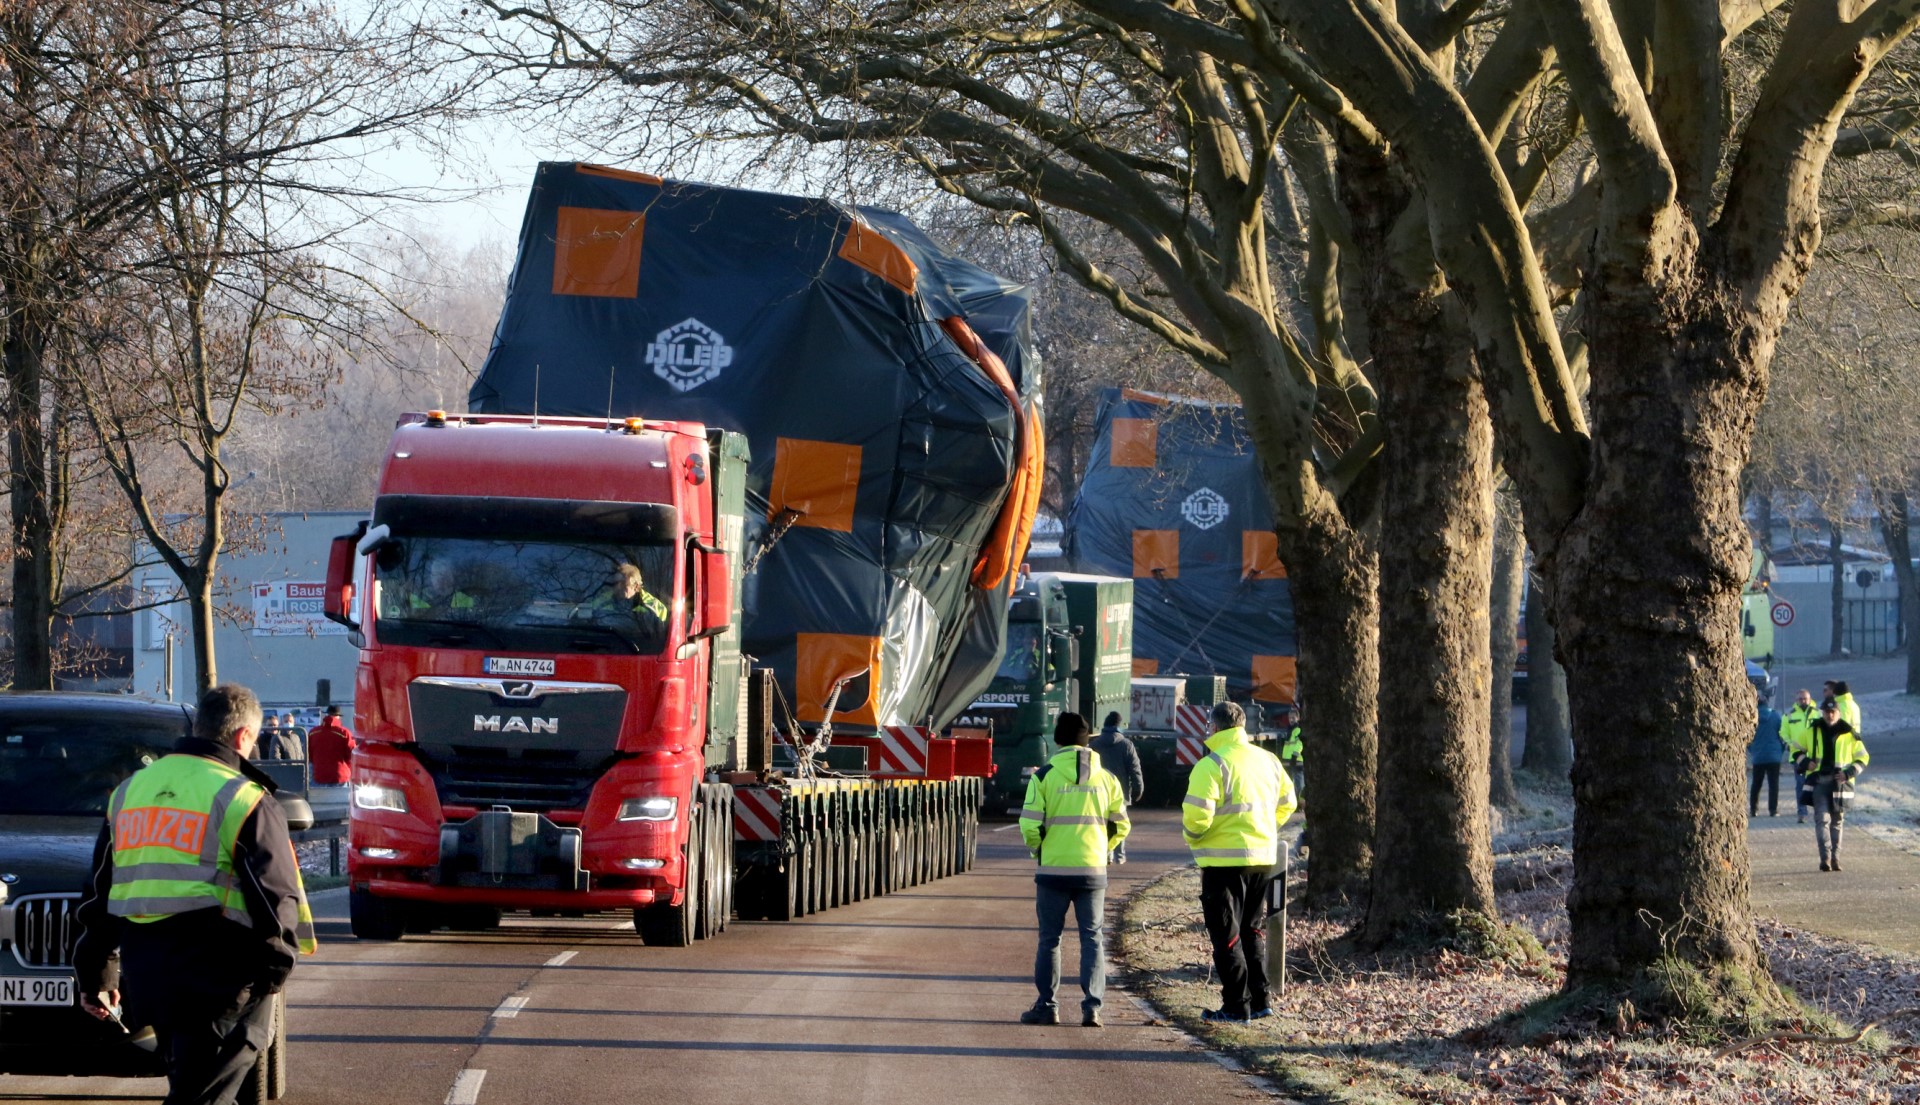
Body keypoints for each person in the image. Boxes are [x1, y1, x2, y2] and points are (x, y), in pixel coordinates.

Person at [73, 684, 316, 1105]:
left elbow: (99, 895)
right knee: (201, 1096)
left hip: (150, 975)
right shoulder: (242, 796)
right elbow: (275, 898)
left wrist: (97, 974)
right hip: (223, 978)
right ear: (243, 737)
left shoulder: (129, 792)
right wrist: (274, 972)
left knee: (193, 1086)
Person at [1184, 700, 1297, 1022]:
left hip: (1222, 863)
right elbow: (1288, 803)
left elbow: (1196, 817)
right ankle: (1261, 1001)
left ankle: (1236, 1006)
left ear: (1215, 727)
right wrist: (1265, 828)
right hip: (1262, 858)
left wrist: (1196, 838)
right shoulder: (1269, 760)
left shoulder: (1212, 765)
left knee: (1227, 937)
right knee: (1251, 931)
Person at [1017, 712, 1130, 1028]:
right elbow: (1121, 825)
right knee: (1092, 938)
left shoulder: (1044, 777)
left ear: (1057, 739)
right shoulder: (1107, 779)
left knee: (1049, 939)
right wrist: (1102, 850)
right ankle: (1092, 1007)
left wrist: (1040, 849)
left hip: (1053, 872)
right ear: (1087, 741)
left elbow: (1028, 824)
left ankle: (1047, 1006)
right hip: (1092, 871)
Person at [1793, 699, 1870, 872]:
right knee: (1821, 820)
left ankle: (1835, 858)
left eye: (1833, 712)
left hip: (1840, 783)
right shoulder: (1811, 731)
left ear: (1838, 713)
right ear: (1822, 712)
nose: (1829, 715)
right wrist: (1805, 762)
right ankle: (1825, 858)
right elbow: (1794, 749)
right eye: (1827, 712)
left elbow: (1863, 757)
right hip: (1820, 782)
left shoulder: (1850, 734)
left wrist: (1849, 773)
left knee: (1837, 822)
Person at [1089, 711, 1144, 863]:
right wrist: (1139, 789)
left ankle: (1105, 853)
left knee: (1100, 824)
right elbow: (1135, 769)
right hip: (1120, 792)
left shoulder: (1094, 745)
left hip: (1097, 792)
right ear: (1119, 726)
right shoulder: (1126, 745)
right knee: (1119, 824)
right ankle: (1119, 856)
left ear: (1105, 725)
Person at [1781, 688, 1819, 822]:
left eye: (1805, 698)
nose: (1803, 701)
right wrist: (1790, 745)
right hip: (1798, 757)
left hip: (1815, 756)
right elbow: (1783, 733)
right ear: (1796, 700)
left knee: (1816, 786)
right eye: (1801, 699)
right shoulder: (1789, 716)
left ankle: (1818, 813)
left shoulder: (1817, 714)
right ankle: (1802, 813)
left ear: (1810, 699)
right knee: (1801, 785)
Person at [1748, 692, 1786, 817]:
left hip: (1758, 755)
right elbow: (1783, 734)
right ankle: (1773, 810)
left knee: (1756, 783)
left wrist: (1752, 749)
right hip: (1774, 755)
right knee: (1773, 784)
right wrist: (1780, 749)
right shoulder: (1775, 716)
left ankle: (1754, 809)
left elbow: (1747, 739)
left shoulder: (1752, 718)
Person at [307, 705, 355, 788]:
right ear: (338, 717)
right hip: (340, 776)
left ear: (326, 715)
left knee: (317, 800)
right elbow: (352, 754)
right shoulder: (344, 733)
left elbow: (309, 755)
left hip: (319, 775)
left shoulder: (313, 732)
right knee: (340, 800)